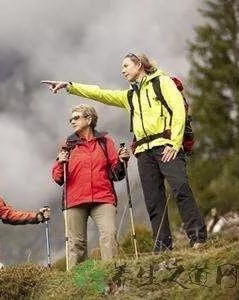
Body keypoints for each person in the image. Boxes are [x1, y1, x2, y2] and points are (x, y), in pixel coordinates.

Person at [42, 52, 207, 251]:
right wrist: (69, 86)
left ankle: (198, 237)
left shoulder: (162, 82)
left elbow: (179, 110)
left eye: (126, 66)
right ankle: (163, 246)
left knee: (181, 188)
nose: (123, 70)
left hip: (166, 145)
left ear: (139, 65)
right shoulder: (130, 95)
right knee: (153, 200)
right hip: (144, 151)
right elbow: (101, 94)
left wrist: (174, 143)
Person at [52, 104, 129, 269]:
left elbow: (117, 174)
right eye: (71, 118)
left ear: (89, 119)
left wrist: (123, 161)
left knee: (109, 235)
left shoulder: (105, 142)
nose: (72, 121)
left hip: (103, 197)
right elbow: (58, 178)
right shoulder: (68, 144)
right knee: (76, 244)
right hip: (75, 200)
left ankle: (111, 278)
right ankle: (77, 285)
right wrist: (60, 163)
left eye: (76, 117)